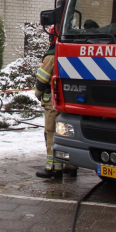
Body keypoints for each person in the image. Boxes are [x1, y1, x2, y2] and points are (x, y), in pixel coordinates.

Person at [35, 23, 78, 179]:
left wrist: (38, 93)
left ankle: (53, 167)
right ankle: (71, 166)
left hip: (53, 102)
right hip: (70, 102)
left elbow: (42, 79)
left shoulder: (52, 55)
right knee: (67, 133)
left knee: (51, 132)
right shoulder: (74, 52)